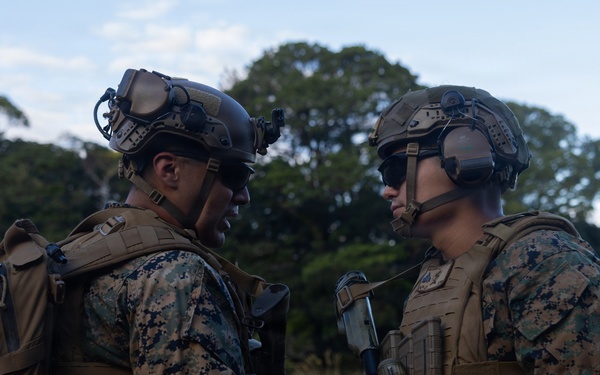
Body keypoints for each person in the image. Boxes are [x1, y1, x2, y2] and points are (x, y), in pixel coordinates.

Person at [51, 68, 289, 375]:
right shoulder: (177, 276)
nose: (243, 197)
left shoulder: (77, 253)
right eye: (235, 175)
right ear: (169, 170)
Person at [366, 85, 600, 374]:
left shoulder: (543, 262)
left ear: (463, 155)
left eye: (395, 170)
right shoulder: (435, 274)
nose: (387, 191)